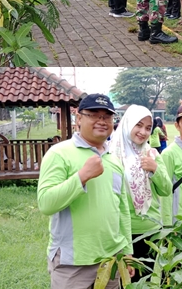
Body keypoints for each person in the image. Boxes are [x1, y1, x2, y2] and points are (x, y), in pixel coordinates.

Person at [37, 93, 134, 289]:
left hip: (110, 260)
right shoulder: (59, 154)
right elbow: (46, 204)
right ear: (78, 118)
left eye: (107, 116)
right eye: (93, 115)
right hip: (72, 264)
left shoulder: (113, 160)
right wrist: (81, 177)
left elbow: (122, 209)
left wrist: (127, 250)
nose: (101, 121)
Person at [108, 105, 173, 281]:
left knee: (146, 280)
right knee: (123, 281)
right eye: (139, 125)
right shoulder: (112, 155)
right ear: (128, 124)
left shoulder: (151, 153)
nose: (143, 132)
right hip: (121, 232)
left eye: (148, 127)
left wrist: (155, 169)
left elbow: (166, 189)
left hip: (150, 230)